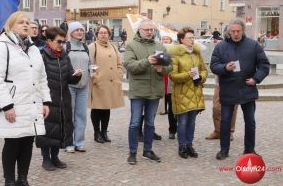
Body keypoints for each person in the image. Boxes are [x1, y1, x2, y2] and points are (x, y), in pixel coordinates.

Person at [0, 11, 51, 186]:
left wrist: (45, 101)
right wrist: (7, 105)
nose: (26, 25)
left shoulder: (33, 49)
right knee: (12, 143)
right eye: (21, 22)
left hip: (32, 104)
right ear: (10, 26)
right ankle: (9, 180)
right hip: (13, 104)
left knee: (27, 142)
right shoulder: (2, 47)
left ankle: (22, 179)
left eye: (27, 22)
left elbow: (42, 78)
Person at [210, 19, 270, 160]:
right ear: (228, 32)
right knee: (225, 121)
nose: (236, 34)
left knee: (250, 121)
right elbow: (213, 66)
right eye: (233, 31)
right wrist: (224, 68)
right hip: (228, 89)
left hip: (247, 88)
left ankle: (249, 150)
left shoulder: (253, 45)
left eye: (238, 31)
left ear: (243, 31)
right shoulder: (221, 46)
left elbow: (264, 65)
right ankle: (224, 150)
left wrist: (256, 79)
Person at [124, 19, 172, 165]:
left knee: (150, 123)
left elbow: (170, 66)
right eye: (147, 29)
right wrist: (147, 61)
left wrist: (161, 69)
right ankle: (132, 152)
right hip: (138, 91)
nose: (150, 32)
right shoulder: (131, 45)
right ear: (139, 30)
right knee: (135, 123)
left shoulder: (159, 45)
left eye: (152, 30)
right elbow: (130, 65)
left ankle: (148, 150)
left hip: (154, 91)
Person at [40, 27, 82, 171]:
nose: (61, 45)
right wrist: (43, 100)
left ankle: (55, 157)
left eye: (63, 42)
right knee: (47, 130)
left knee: (60, 129)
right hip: (48, 100)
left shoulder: (64, 55)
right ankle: (46, 159)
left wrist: (76, 75)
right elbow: (38, 80)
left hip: (64, 99)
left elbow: (70, 78)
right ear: (49, 41)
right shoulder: (42, 56)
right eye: (59, 41)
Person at [168, 27, 208, 159]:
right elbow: (173, 76)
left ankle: (189, 145)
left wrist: (201, 77)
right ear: (181, 40)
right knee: (183, 122)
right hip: (181, 94)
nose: (192, 40)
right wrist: (188, 75)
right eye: (189, 38)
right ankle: (182, 147)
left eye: (193, 37)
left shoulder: (197, 53)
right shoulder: (175, 55)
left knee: (192, 122)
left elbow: (204, 70)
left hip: (195, 92)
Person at [88, 24, 125, 144]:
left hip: (111, 83)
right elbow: (90, 64)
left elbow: (119, 63)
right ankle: (96, 133)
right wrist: (95, 77)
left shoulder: (113, 47)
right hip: (98, 83)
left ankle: (104, 132)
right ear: (97, 34)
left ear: (109, 34)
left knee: (106, 108)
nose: (103, 34)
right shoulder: (92, 46)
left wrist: (119, 74)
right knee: (97, 108)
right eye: (101, 32)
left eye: (105, 33)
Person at [64, 22, 92, 153]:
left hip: (84, 85)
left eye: (82, 30)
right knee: (69, 115)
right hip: (70, 85)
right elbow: (63, 65)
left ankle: (79, 142)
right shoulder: (66, 47)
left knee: (81, 115)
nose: (80, 32)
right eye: (77, 30)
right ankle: (68, 143)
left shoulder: (86, 47)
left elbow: (90, 64)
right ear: (71, 33)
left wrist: (93, 70)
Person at [205, 75, 238, 141]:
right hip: (219, 84)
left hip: (234, 84)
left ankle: (230, 132)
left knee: (233, 109)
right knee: (216, 108)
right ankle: (218, 131)